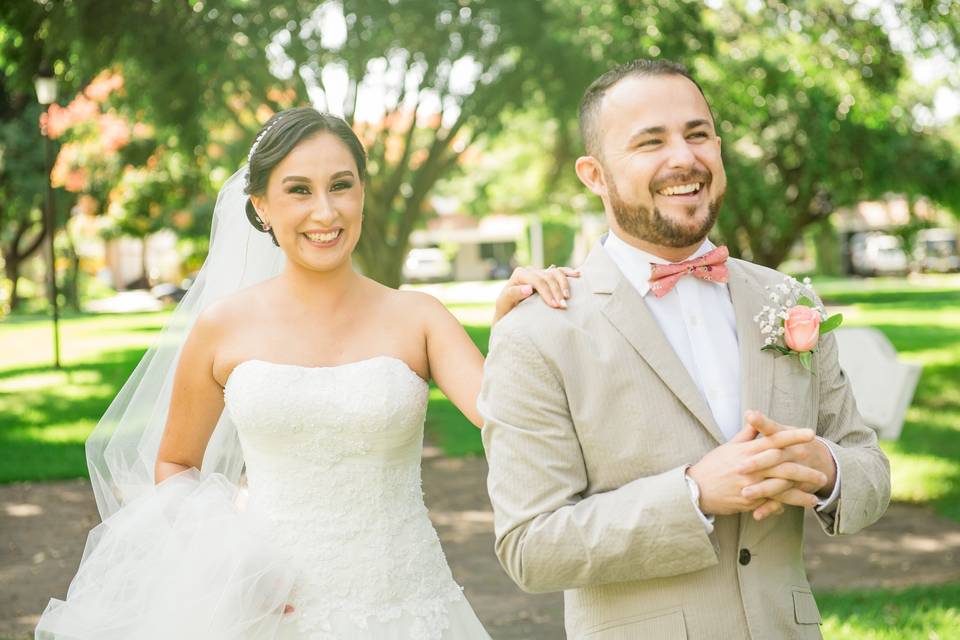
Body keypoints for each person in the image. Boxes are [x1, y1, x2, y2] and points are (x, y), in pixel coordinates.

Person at [35, 107, 577, 640]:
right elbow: (176, 462)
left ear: (362, 193)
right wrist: (232, 562)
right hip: (273, 609)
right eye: (298, 190)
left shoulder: (420, 317)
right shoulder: (222, 326)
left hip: (407, 603)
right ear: (261, 206)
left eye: (341, 185)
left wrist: (513, 331)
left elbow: (504, 416)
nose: (325, 212)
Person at [479, 59, 890, 639]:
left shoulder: (789, 297)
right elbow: (530, 546)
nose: (684, 158)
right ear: (594, 175)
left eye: (698, 135)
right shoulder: (537, 332)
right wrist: (694, 494)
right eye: (651, 142)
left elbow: (868, 466)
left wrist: (827, 471)